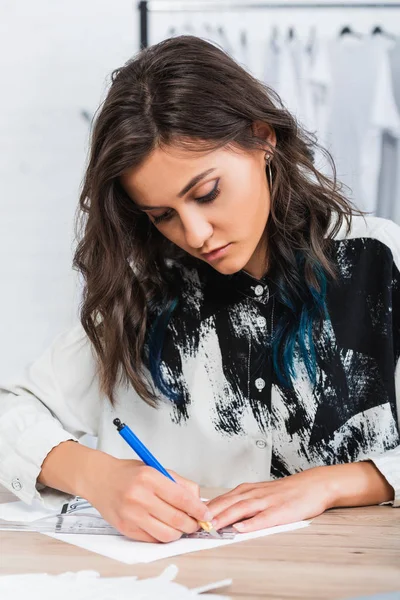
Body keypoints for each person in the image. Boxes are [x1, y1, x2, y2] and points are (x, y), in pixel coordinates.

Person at [1, 36, 399, 544]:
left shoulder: (379, 261)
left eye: (207, 193)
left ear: (262, 138)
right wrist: (94, 475)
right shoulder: (147, 293)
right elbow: (10, 410)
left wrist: (332, 484)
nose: (195, 234)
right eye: (162, 215)